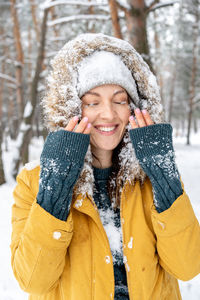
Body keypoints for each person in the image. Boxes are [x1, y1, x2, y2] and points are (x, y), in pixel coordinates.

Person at [11, 33, 200, 300]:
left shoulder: (154, 175)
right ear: (72, 110)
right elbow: (33, 280)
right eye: (92, 102)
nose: (109, 114)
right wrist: (56, 186)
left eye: (120, 100)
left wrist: (162, 173)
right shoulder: (35, 181)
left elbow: (188, 266)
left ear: (134, 108)